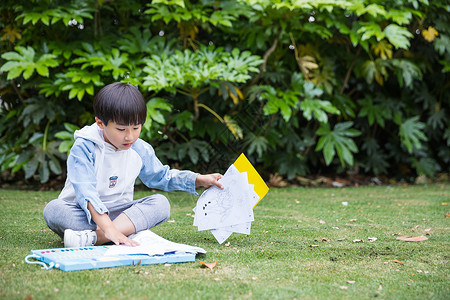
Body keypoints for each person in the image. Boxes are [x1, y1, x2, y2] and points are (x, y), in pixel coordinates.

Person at [43, 82, 223, 248]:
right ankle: (114, 232)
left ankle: (94, 238)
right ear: (100, 123)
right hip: (84, 214)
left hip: (120, 214)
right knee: (54, 210)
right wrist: (109, 228)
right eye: (121, 129)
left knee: (160, 203)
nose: (129, 136)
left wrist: (199, 179)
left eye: (136, 128)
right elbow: (86, 193)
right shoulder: (84, 146)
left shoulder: (139, 148)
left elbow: (161, 176)